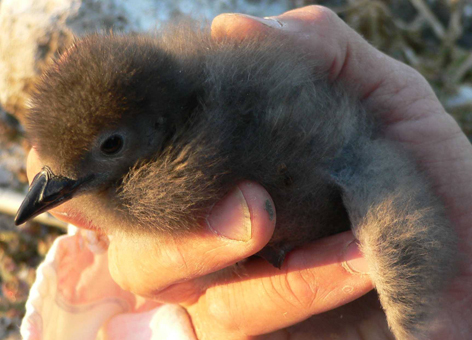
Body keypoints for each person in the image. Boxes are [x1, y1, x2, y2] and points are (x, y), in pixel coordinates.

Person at [26, 6, 472, 339]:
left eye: (110, 146)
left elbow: (363, 164)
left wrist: (431, 312)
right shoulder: (114, 185)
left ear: (161, 123)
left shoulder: (260, 108)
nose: (54, 185)